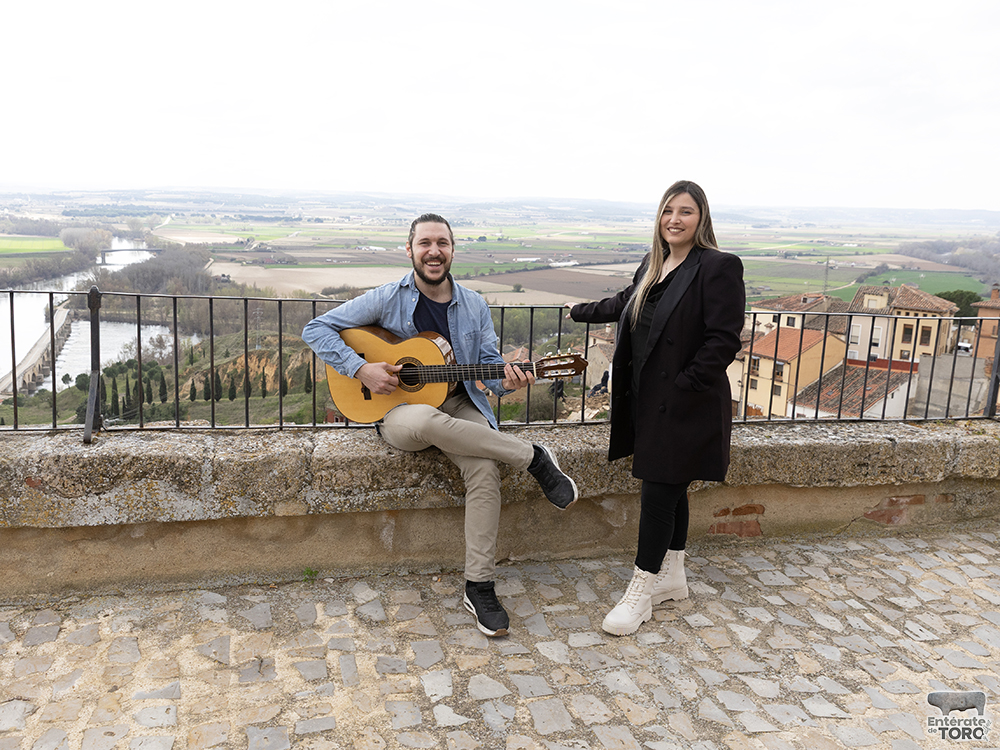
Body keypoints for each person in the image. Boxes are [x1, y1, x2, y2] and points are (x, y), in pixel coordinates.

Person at [303, 213, 578, 638]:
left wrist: (508, 380)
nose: (434, 251)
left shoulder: (474, 305)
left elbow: (489, 371)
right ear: (410, 250)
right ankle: (533, 458)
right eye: (425, 243)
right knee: (427, 417)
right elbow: (316, 328)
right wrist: (360, 369)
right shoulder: (387, 297)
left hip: (458, 402)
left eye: (442, 243)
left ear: (452, 250)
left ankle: (479, 585)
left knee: (484, 471)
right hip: (398, 411)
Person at [568, 181, 744, 636]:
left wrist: (686, 386)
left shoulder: (718, 267)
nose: (675, 219)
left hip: (687, 404)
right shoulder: (653, 263)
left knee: (658, 494)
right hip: (648, 400)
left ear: (701, 218)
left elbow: (723, 339)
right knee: (672, 486)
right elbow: (625, 303)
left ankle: (641, 591)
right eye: (668, 210)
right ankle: (673, 575)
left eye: (686, 211)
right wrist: (579, 311)